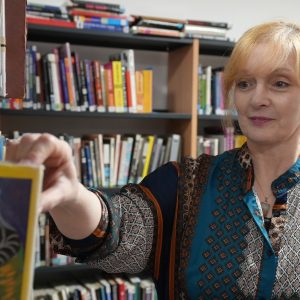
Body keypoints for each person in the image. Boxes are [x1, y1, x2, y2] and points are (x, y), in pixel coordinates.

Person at [5, 20, 300, 299]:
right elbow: (115, 229)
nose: (257, 98)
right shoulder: (186, 184)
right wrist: (71, 196)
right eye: (245, 83)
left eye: (280, 83)